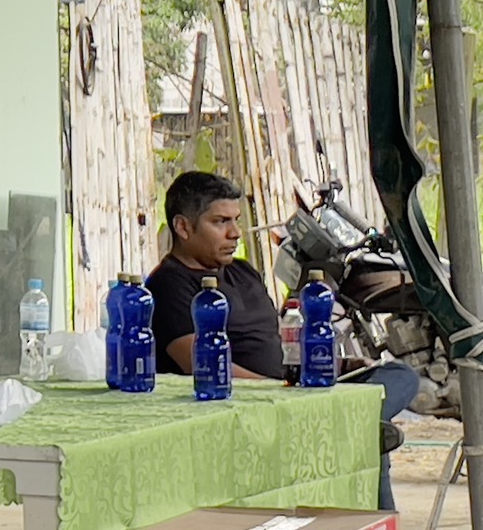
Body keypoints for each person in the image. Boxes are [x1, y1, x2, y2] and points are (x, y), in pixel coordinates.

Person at [147, 171, 418, 511]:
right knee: (368, 440)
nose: (234, 233)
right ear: (183, 227)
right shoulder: (168, 286)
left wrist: (338, 365)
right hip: (245, 406)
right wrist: (278, 391)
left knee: (400, 376)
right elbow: (199, 366)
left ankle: (344, 423)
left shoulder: (243, 272)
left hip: (292, 394)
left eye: (235, 220)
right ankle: (348, 425)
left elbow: (279, 344)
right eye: (220, 222)